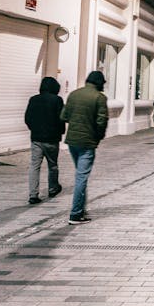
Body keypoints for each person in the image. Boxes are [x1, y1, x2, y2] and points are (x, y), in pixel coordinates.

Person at [61, 70, 108, 224]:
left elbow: (64, 116)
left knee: (81, 175)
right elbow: (101, 121)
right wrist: (98, 137)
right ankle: (75, 214)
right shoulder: (99, 98)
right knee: (81, 177)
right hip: (87, 142)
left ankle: (81, 210)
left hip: (72, 142)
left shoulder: (74, 94)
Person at [24, 76, 65, 204]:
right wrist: (60, 132)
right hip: (52, 139)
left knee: (34, 166)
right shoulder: (57, 100)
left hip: (36, 138)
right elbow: (61, 118)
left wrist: (34, 129)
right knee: (52, 165)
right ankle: (53, 188)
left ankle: (33, 194)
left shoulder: (33, 99)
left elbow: (27, 118)